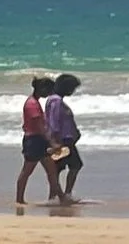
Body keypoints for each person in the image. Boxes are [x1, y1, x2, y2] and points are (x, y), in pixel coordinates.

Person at [17, 76, 56, 206]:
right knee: (27, 171)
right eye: (48, 90)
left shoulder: (34, 102)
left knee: (51, 171)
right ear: (42, 88)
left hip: (37, 140)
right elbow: (39, 127)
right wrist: (51, 142)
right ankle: (19, 199)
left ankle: (54, 198)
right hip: (34, 141)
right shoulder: (32, 104)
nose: (49, 93)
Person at [45, 73, 84, 203]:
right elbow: (54, 122)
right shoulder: (56, 101)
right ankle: (65, 194)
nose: (73, 91)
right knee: (75, 165)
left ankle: (55, 195)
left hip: (64, 139)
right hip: (63, 140)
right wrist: (55, 141)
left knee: (58, 168)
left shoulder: (54, 100)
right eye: (72, 88)